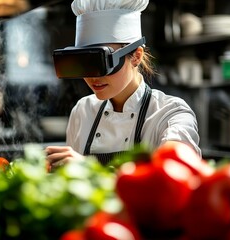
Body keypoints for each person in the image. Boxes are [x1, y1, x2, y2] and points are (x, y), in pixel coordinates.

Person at [46, 0, 200, 169]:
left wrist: (89, 169)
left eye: (101, 62)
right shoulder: (82, 111)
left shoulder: (170, 115)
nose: (92, 77)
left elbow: (174, 180)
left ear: (136, 56)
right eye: (84, 63)